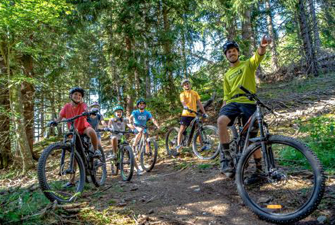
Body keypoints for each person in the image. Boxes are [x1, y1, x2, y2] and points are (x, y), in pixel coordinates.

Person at [217, 35, 272, 178]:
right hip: (233, 103)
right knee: (221, 121)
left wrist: (263, 46)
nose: (232, 53)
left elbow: (258, 56)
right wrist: (224, 106)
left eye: (234, 50)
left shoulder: (247, 64)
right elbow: (226, 94)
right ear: (226, 56)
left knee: (252, 137)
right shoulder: (227, 74)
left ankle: (259, 169)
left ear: (238, 53)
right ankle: (227, 157)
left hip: (248, 102)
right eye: (229, 52)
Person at [53, 87, 102, 187]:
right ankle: (71, 181)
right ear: (71, 96)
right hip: (74, 132)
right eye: (75, 94)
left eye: (80, 95)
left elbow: (86, 109)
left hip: (84, 128)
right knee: (74, 156)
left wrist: (89, 111)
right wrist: (55, 122)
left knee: (92, 131)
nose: (78, 96)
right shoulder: (66, 107)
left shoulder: (82, 105)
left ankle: (96, 150)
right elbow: (60, 117)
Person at [174, 79, 208, 156]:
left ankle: (202, 145)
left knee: (198, 129)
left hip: (193, 115)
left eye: (188, 84)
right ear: (183, 86)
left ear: (190, 84)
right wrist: (185, 106)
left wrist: (204, 113)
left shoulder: (195, 93)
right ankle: (178, 145)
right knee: (182, 129)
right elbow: (183, 102)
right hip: (186, 114)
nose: (187, 85)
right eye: (185, 84)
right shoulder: (182, 94)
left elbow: (199, 103)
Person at [129, 98, 160, 174]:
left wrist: (157, 125)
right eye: (140, 104)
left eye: (143, 104)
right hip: (136, 126)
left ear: (145, 105)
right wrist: (131, 124)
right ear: (138, 105)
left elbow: (152, 119)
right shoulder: (135, 112)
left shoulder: (147, 113)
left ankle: (147, 152)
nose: (141, 105)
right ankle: (134, 145)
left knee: (146, 138)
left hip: (144, 127)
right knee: (140, 131)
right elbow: (130, 117)